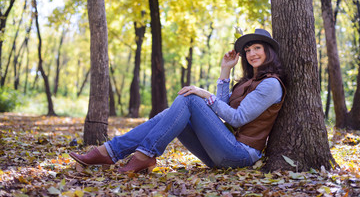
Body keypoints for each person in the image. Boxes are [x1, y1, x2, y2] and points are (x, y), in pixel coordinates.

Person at [69, 28, 286, 173]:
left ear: (269, 51)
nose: (251, 53)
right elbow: (224, 106)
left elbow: (237, 119)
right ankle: (115, 152)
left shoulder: (271, 84)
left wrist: (204, 94)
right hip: (221, 152)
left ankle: (133, 153)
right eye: (248, 50)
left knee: (190, 99)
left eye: (257, 48)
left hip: (240, 155)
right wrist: (224, 71)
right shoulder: (250, 81)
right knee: (173, 111)